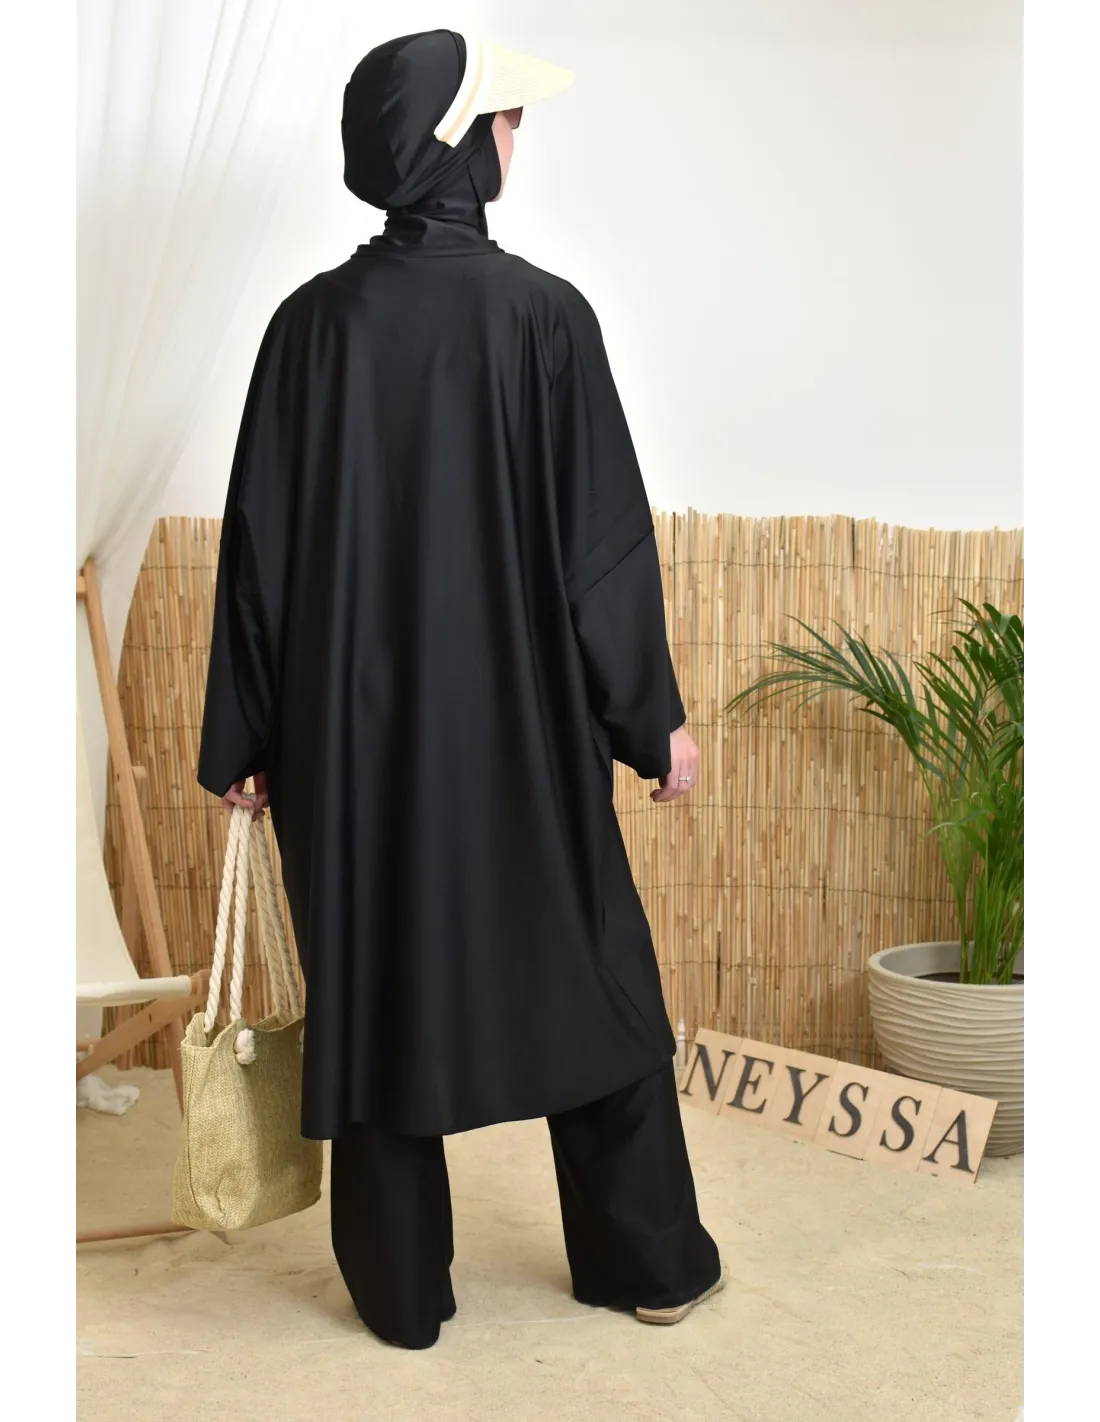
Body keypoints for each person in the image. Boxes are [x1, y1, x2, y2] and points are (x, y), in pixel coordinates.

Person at [197, 29, 723, 1351]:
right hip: (522, 744)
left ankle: (401, 1294)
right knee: (594, 977)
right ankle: (649, 1261)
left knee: (375, 983)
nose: (516, 138)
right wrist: (648, 718)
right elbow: (601, 546)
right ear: (457, 146)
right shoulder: (544, 319)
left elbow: (256, 550)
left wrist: (244, 734)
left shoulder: (307, 332)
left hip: (346, 753)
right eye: (505, 119)